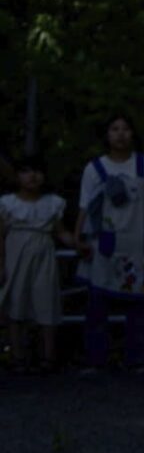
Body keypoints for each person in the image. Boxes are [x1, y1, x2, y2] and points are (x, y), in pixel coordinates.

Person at [73, 114, 144, 372]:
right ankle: (95, 359)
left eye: (126, 128)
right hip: (104, 241)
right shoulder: (95, 169)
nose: (120, 134)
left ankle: (138, 357)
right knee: (97, 302)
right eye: (114, 129)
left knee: (138, 302)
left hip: (138, 238)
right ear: (106, 134)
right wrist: (77, 235)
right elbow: (85, 204)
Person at [3, 159, 72, 371]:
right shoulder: (7, 204)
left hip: (44, 252)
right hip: (15, 253)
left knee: (46, 299)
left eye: (37, 171)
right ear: (17, 176)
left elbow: (60, 232)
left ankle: (48, 357)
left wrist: (78, 244)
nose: (32, 176)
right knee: (16, 301)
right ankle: (17, 355)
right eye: (26, 171)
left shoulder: (52, 203)